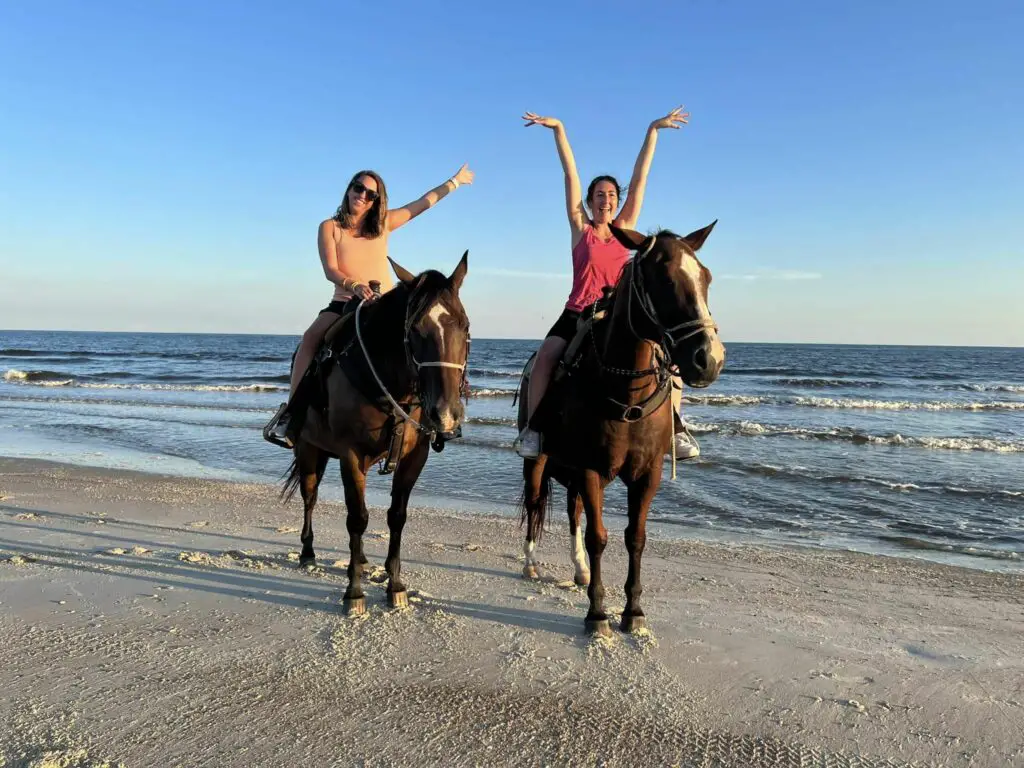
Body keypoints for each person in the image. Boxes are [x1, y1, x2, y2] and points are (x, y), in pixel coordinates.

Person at [514, 108, 700, 460]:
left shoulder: (625, 226)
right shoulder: (580, 228)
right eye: (599, 195)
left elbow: (640, 177)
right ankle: (533, 431)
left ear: (618, 202)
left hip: (618, 315)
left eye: (612, 195)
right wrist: (559, 129)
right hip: (577, 312)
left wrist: (653, 130)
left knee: (669, 364)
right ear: (590, 201)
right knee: (545, 360)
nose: (606, 200)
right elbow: (570, 173)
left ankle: (676, 427)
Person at [264, 164, 475, 447]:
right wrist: (353, 285)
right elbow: (330, 269)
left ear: (378, 200)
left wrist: (455, 182)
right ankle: (291, 415)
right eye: (358, 188)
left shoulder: (384, 224)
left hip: (385, 306)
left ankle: (438, 419)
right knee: (310, 339)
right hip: (345, 303)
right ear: (349, 189)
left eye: (371, 194)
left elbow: (422, 204)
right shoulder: (330, 227)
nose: (363, 196)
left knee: (422, 345)